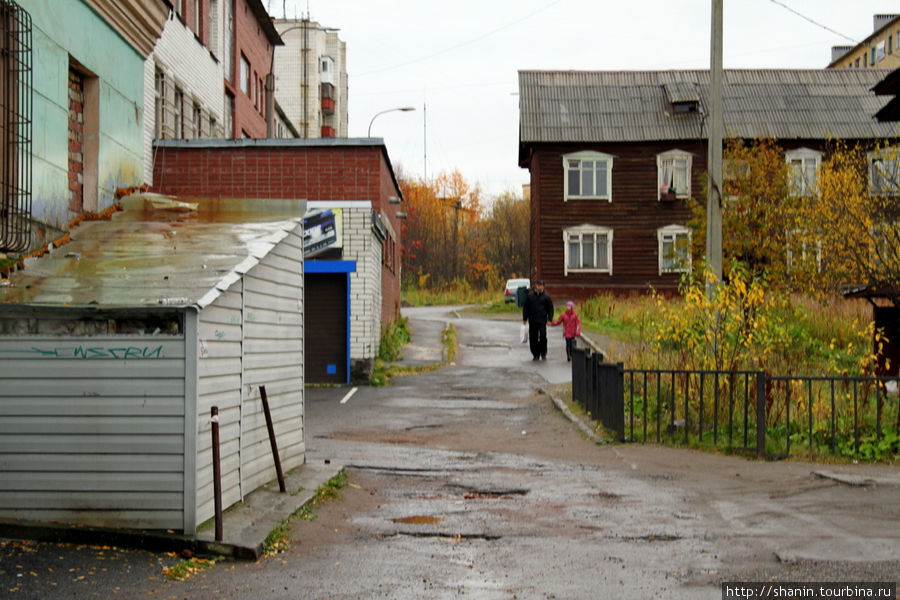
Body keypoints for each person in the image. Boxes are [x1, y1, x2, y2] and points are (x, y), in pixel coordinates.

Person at [522, 279, 553, 361]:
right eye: (538, 285)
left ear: (543, 286)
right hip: (532, 320)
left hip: (542, 320)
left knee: (543, 336)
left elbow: (550, 308)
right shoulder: (530, 296)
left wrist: (550, 319)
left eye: (541, 285)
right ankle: (535, 354)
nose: (539, 286)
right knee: (533, 337)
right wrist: (525, 318)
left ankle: (543, 353)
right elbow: (526, 308)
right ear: (536, 285)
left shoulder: (546, 297)